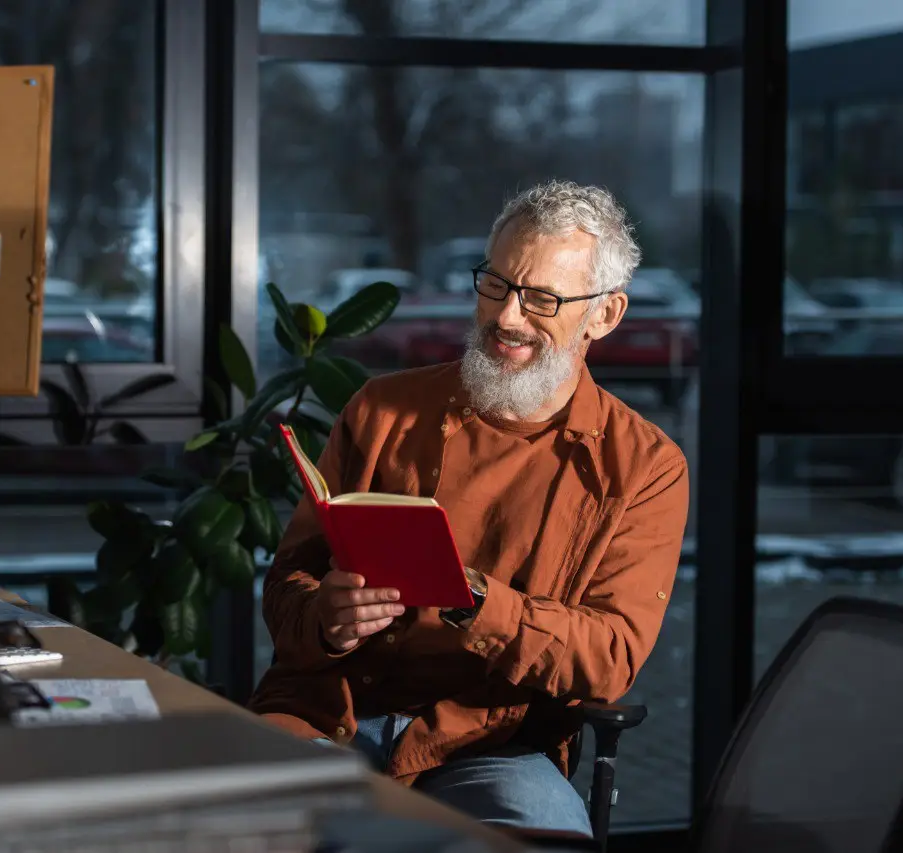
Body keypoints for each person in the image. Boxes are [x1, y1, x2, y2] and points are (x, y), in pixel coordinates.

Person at [249, 180, 689, 837]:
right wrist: (325, 617)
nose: (507, 316)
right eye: (496, 284)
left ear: (605, 314)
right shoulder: (381, 409)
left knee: (542, 837)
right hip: (326, 713)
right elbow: (288, 585)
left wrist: (475, 599)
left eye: (541, 298)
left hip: (492, 744)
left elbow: (609, 657)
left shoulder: (645, 467)